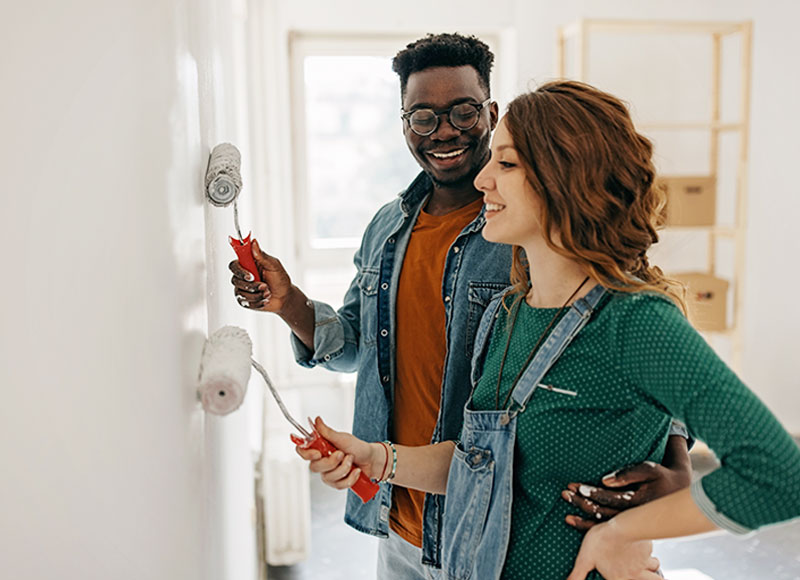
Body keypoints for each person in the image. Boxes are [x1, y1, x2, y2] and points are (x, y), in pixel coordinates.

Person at [295, 79, 800, 580]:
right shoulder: (507, 313)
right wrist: (379, 459)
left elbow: (779, 475)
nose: (482, 179)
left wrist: (620, 533)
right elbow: (480, 464)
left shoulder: (633, 320)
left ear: (566, 179)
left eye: (507, 163)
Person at [231, 34, 692, 577]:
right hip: (398, 510)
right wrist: (290, 304)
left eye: (463, 112)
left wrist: (677, 461)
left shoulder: (525, 228)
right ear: (404, 125)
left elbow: (634, 325)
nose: (444, 131)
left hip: (497, 522)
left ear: (491, 112)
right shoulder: (387, 228)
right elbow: (354, 346)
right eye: (423, 117)